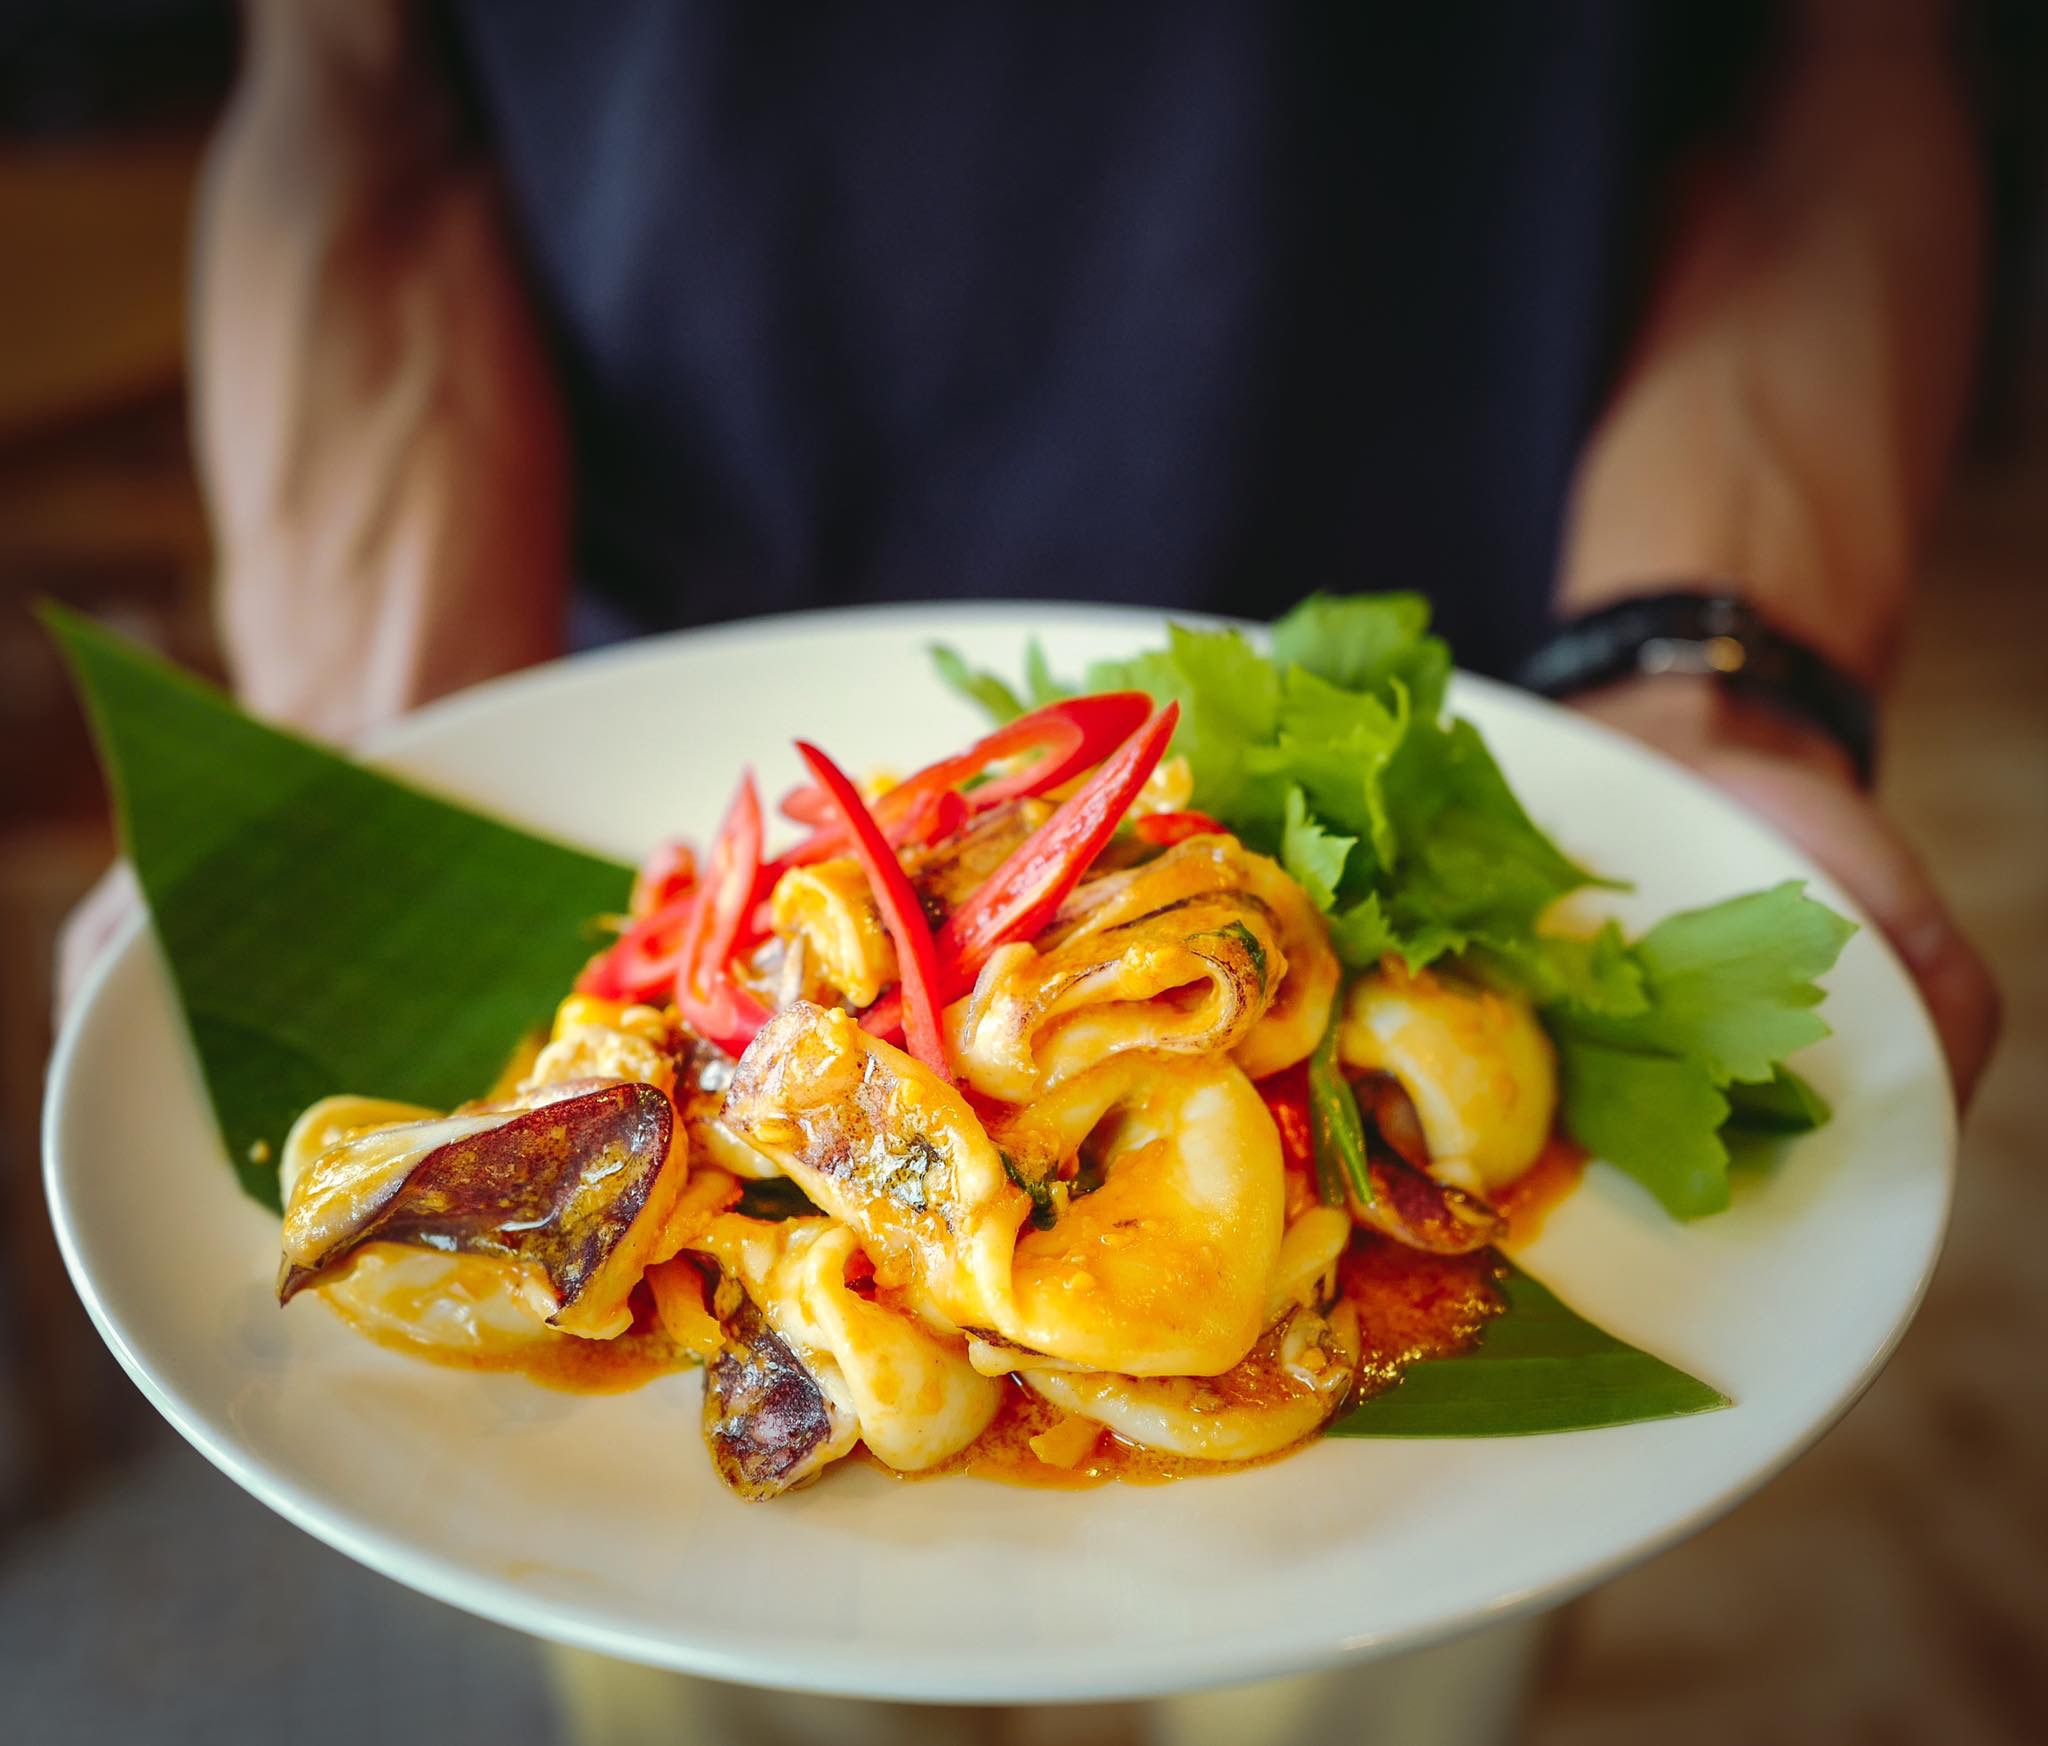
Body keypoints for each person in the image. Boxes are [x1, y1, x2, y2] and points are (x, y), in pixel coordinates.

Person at [59, 2, 2003, 1741]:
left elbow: (1834, 62)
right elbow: (354, 98)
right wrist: (373, 744)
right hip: (631, 686)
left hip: (1446, 700)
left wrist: (1706, 691)